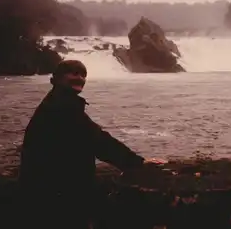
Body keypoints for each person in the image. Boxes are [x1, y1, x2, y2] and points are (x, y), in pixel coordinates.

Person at [18, 59, 164, 229]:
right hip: (56, 194)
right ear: (58, 78)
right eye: (74, 73)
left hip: (45, 190)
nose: (80, 78)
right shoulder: (62, 107)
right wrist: (137, 162)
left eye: (83, 75)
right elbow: (97, 141)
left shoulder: (57, 102)